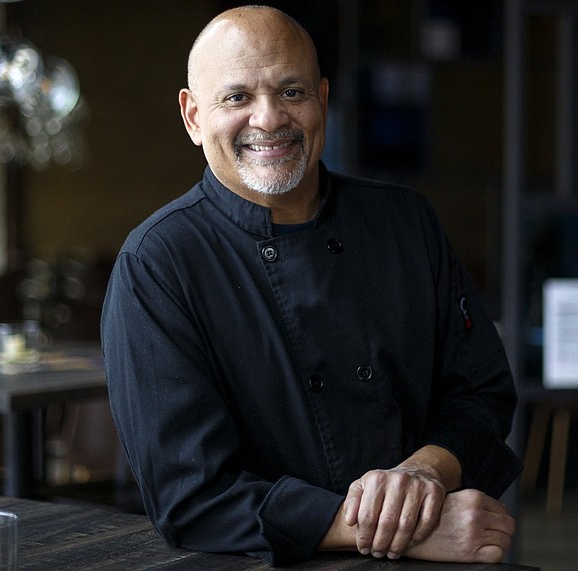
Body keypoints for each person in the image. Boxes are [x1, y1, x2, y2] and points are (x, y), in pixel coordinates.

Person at [101, 5, 522, 566]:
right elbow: (192, 495)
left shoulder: (406, 223)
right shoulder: (157, 265)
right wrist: (405, 529)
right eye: (237, 98)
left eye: (291, 91)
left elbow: (482, 392)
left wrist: (426, 471)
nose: (269, 118)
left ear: (323, 99)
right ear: (193, 116)